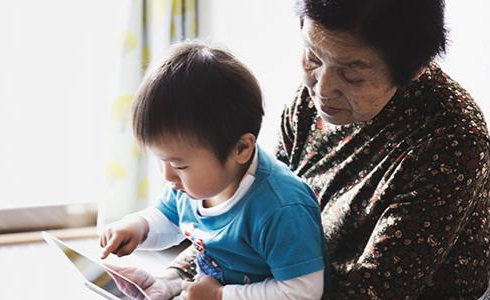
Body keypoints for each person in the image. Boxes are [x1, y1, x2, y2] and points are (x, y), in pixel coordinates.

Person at [107, 0, 490, 299]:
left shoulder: (452, 141)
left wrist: (224, 294)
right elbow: (251, 213)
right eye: (313, 56)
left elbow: (375, 290)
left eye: (352, 74)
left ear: (415, 68)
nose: (323, 89)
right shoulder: (313, 102)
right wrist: (176, 279)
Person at [99, 41, 327, 300]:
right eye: (161, 161)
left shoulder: (281, 209)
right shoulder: (189, 185)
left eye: (179, 165)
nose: (167, 176)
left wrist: (220, 296)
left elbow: (302, 292)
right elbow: (168, 219)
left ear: (241, 148)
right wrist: (138, 228)